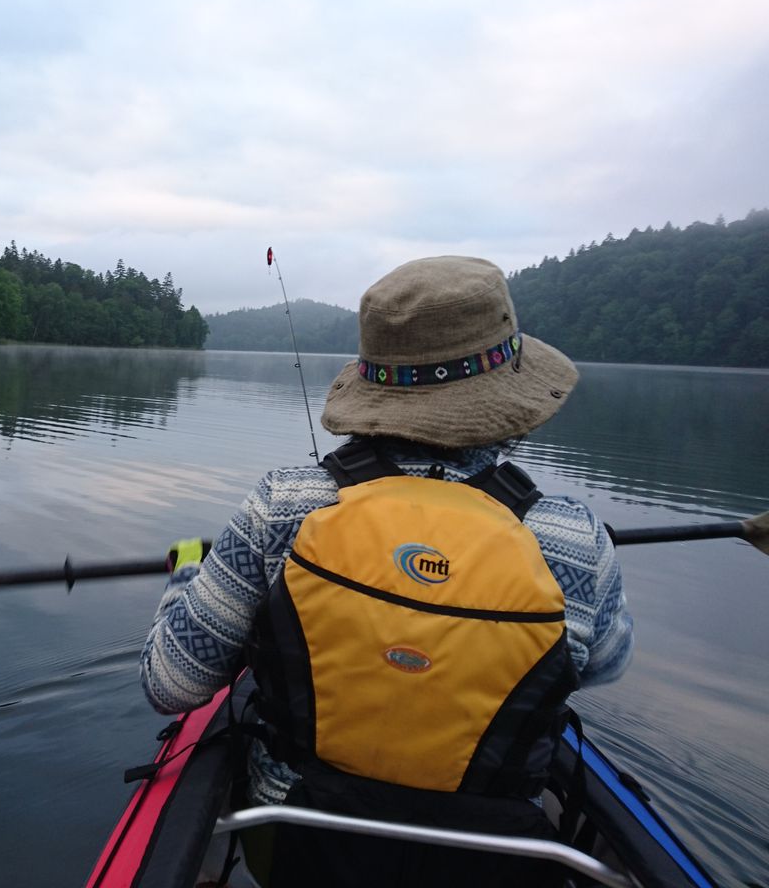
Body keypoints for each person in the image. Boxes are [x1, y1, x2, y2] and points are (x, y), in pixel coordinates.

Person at [139, 256, 633, 887]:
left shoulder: (285, 504)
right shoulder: (574, 539)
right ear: (511, 396)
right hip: (491, 866)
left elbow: (171, 685)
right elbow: (604, 665)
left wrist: (187, 572)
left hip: (298, 852)